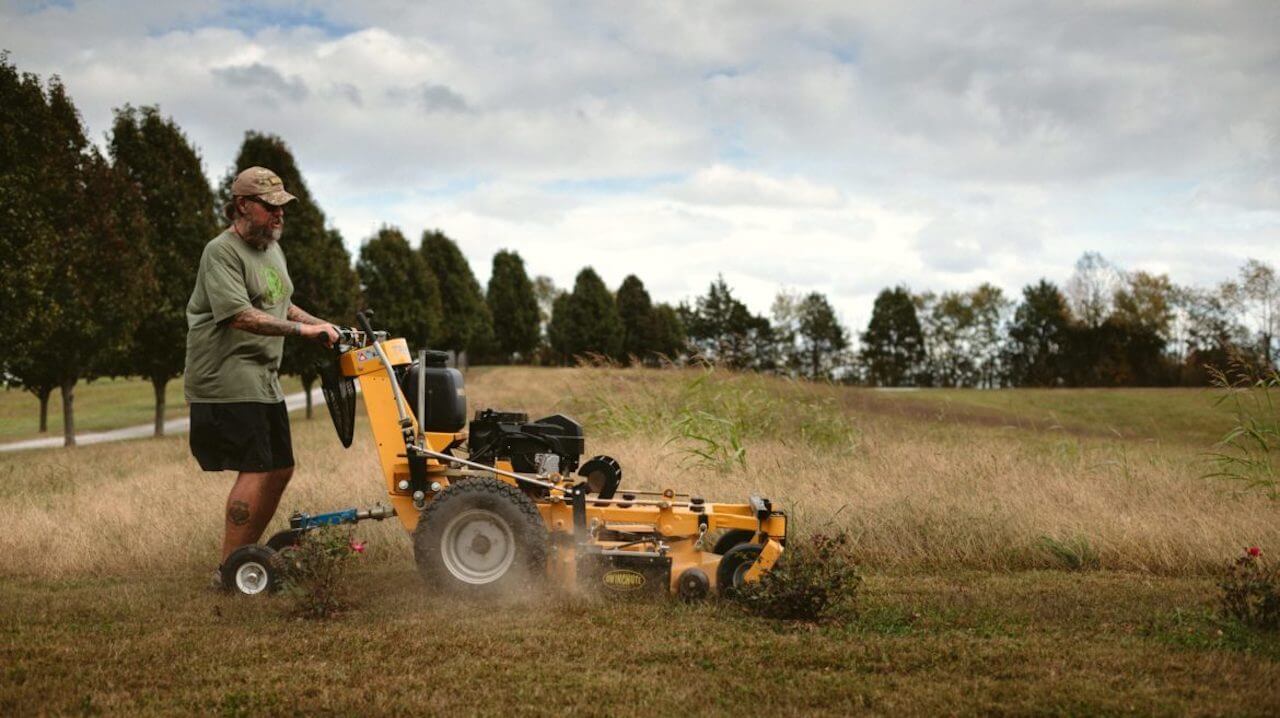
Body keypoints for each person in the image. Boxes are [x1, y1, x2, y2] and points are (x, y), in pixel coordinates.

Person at [184, 166, 339, 586]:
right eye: (270, 207)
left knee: (281, 468)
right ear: (242, 206)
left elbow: (281, 305)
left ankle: (249, 555)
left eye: (282, 207)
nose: (279, 215)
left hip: (263, 378)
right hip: (226, 379)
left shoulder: (272, 249)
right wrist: (304, 332)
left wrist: (325, 325)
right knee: (255, 467)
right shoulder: (221, 252)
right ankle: (228, 570)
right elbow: (240, 315)